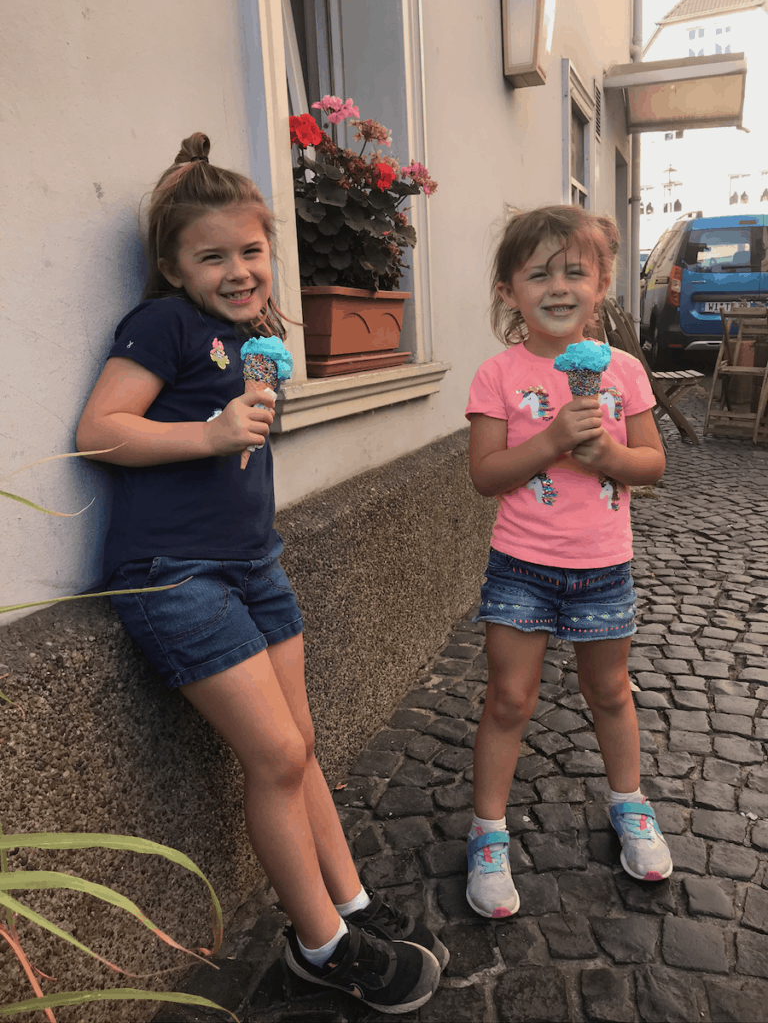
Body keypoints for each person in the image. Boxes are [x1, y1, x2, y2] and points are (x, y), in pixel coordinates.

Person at [76, 132, 445, 1012]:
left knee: (303, 744)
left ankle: (350, 905)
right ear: (172, 264)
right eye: (213, 256)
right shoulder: (162, 325)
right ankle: (320, 948)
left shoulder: (254, 335)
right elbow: (99, 429)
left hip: (253, 568)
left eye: (252, 251)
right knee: (277, 754)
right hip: (173, 576)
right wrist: (209, 433)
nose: (239, 270)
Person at [464, 205, 671, 920]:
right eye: (538, 273)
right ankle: (487, 834)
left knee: (611, 691)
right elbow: (486, 474)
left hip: (604, 566)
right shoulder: (498, 374)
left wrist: (610, 455)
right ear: (508, 291)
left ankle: (630, 803)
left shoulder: (623, 371)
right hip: (522, 564)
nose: (558, 286)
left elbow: (653, 463)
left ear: (603, 283)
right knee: (509, 700)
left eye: (574, 271)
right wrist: (554, 439)